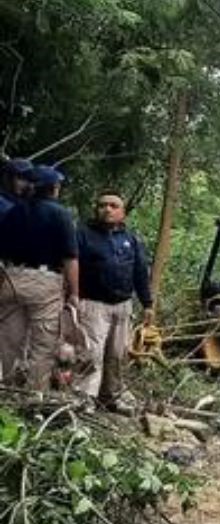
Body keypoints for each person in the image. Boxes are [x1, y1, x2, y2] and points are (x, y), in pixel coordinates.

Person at [0, 165, 79, 390]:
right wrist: (74, 293)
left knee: (9, 340)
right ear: (53, 188)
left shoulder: (12, 212)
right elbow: (70, 258)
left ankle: (8, 390)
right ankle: (35, 394)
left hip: (12, 277)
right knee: (43, 343)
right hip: (44, 282)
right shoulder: (61, 215)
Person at [74, 190, 153, 410]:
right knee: (91, 352)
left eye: (113, 205)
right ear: (96, 210)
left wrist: (148, 303)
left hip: (122, 305)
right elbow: (71, 266)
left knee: (117, 354)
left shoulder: (131, 239)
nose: (107, 209)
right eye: (102, 205)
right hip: (92, 303)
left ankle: (111, 397)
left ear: (123, 212)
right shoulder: (83, 234)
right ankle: (84, 398)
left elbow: (139, 272)